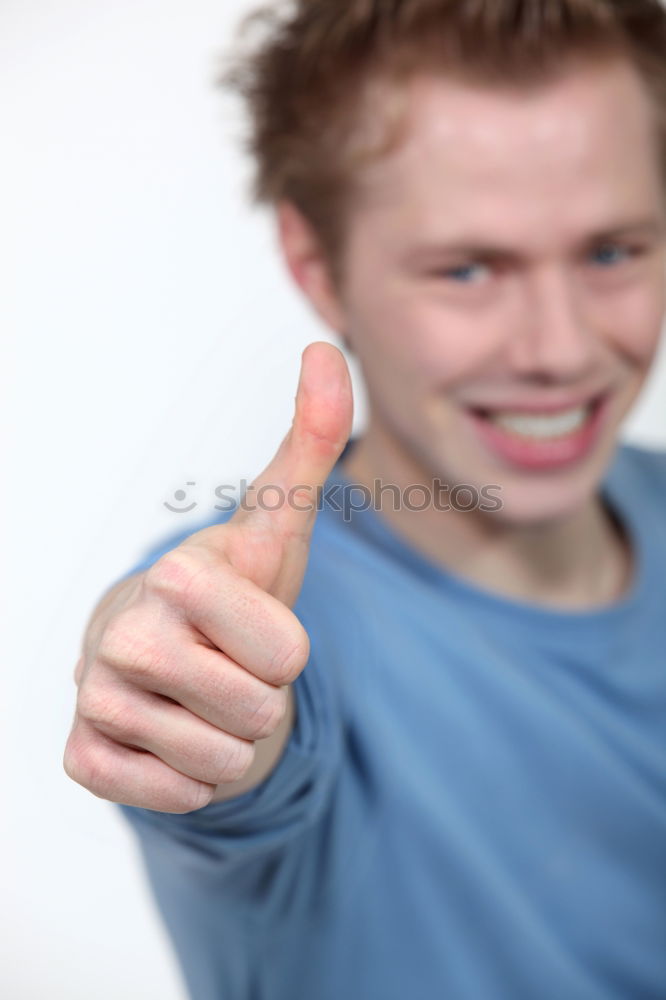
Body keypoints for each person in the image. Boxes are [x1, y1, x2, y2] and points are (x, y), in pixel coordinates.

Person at [63, 2, 666, 998]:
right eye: (467, 268)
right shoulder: (261, 616)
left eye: (613, 252)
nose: (560, 347)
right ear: (318, 268)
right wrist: (173, 699)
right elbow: (204, 706)